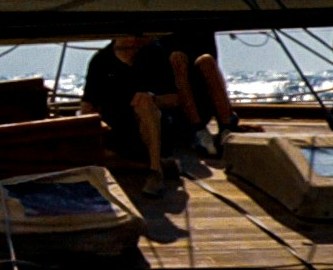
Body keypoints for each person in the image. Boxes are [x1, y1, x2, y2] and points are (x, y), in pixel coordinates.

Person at [81, 31, 230, 173]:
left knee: (145, 107)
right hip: (118, 130)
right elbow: (89, 103)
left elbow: (175, 98)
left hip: (152, 128)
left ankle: (153, 167)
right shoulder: (100, 61)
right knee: (92, 153)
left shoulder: (155, 55)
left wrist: (152, 100)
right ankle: (148, 166)